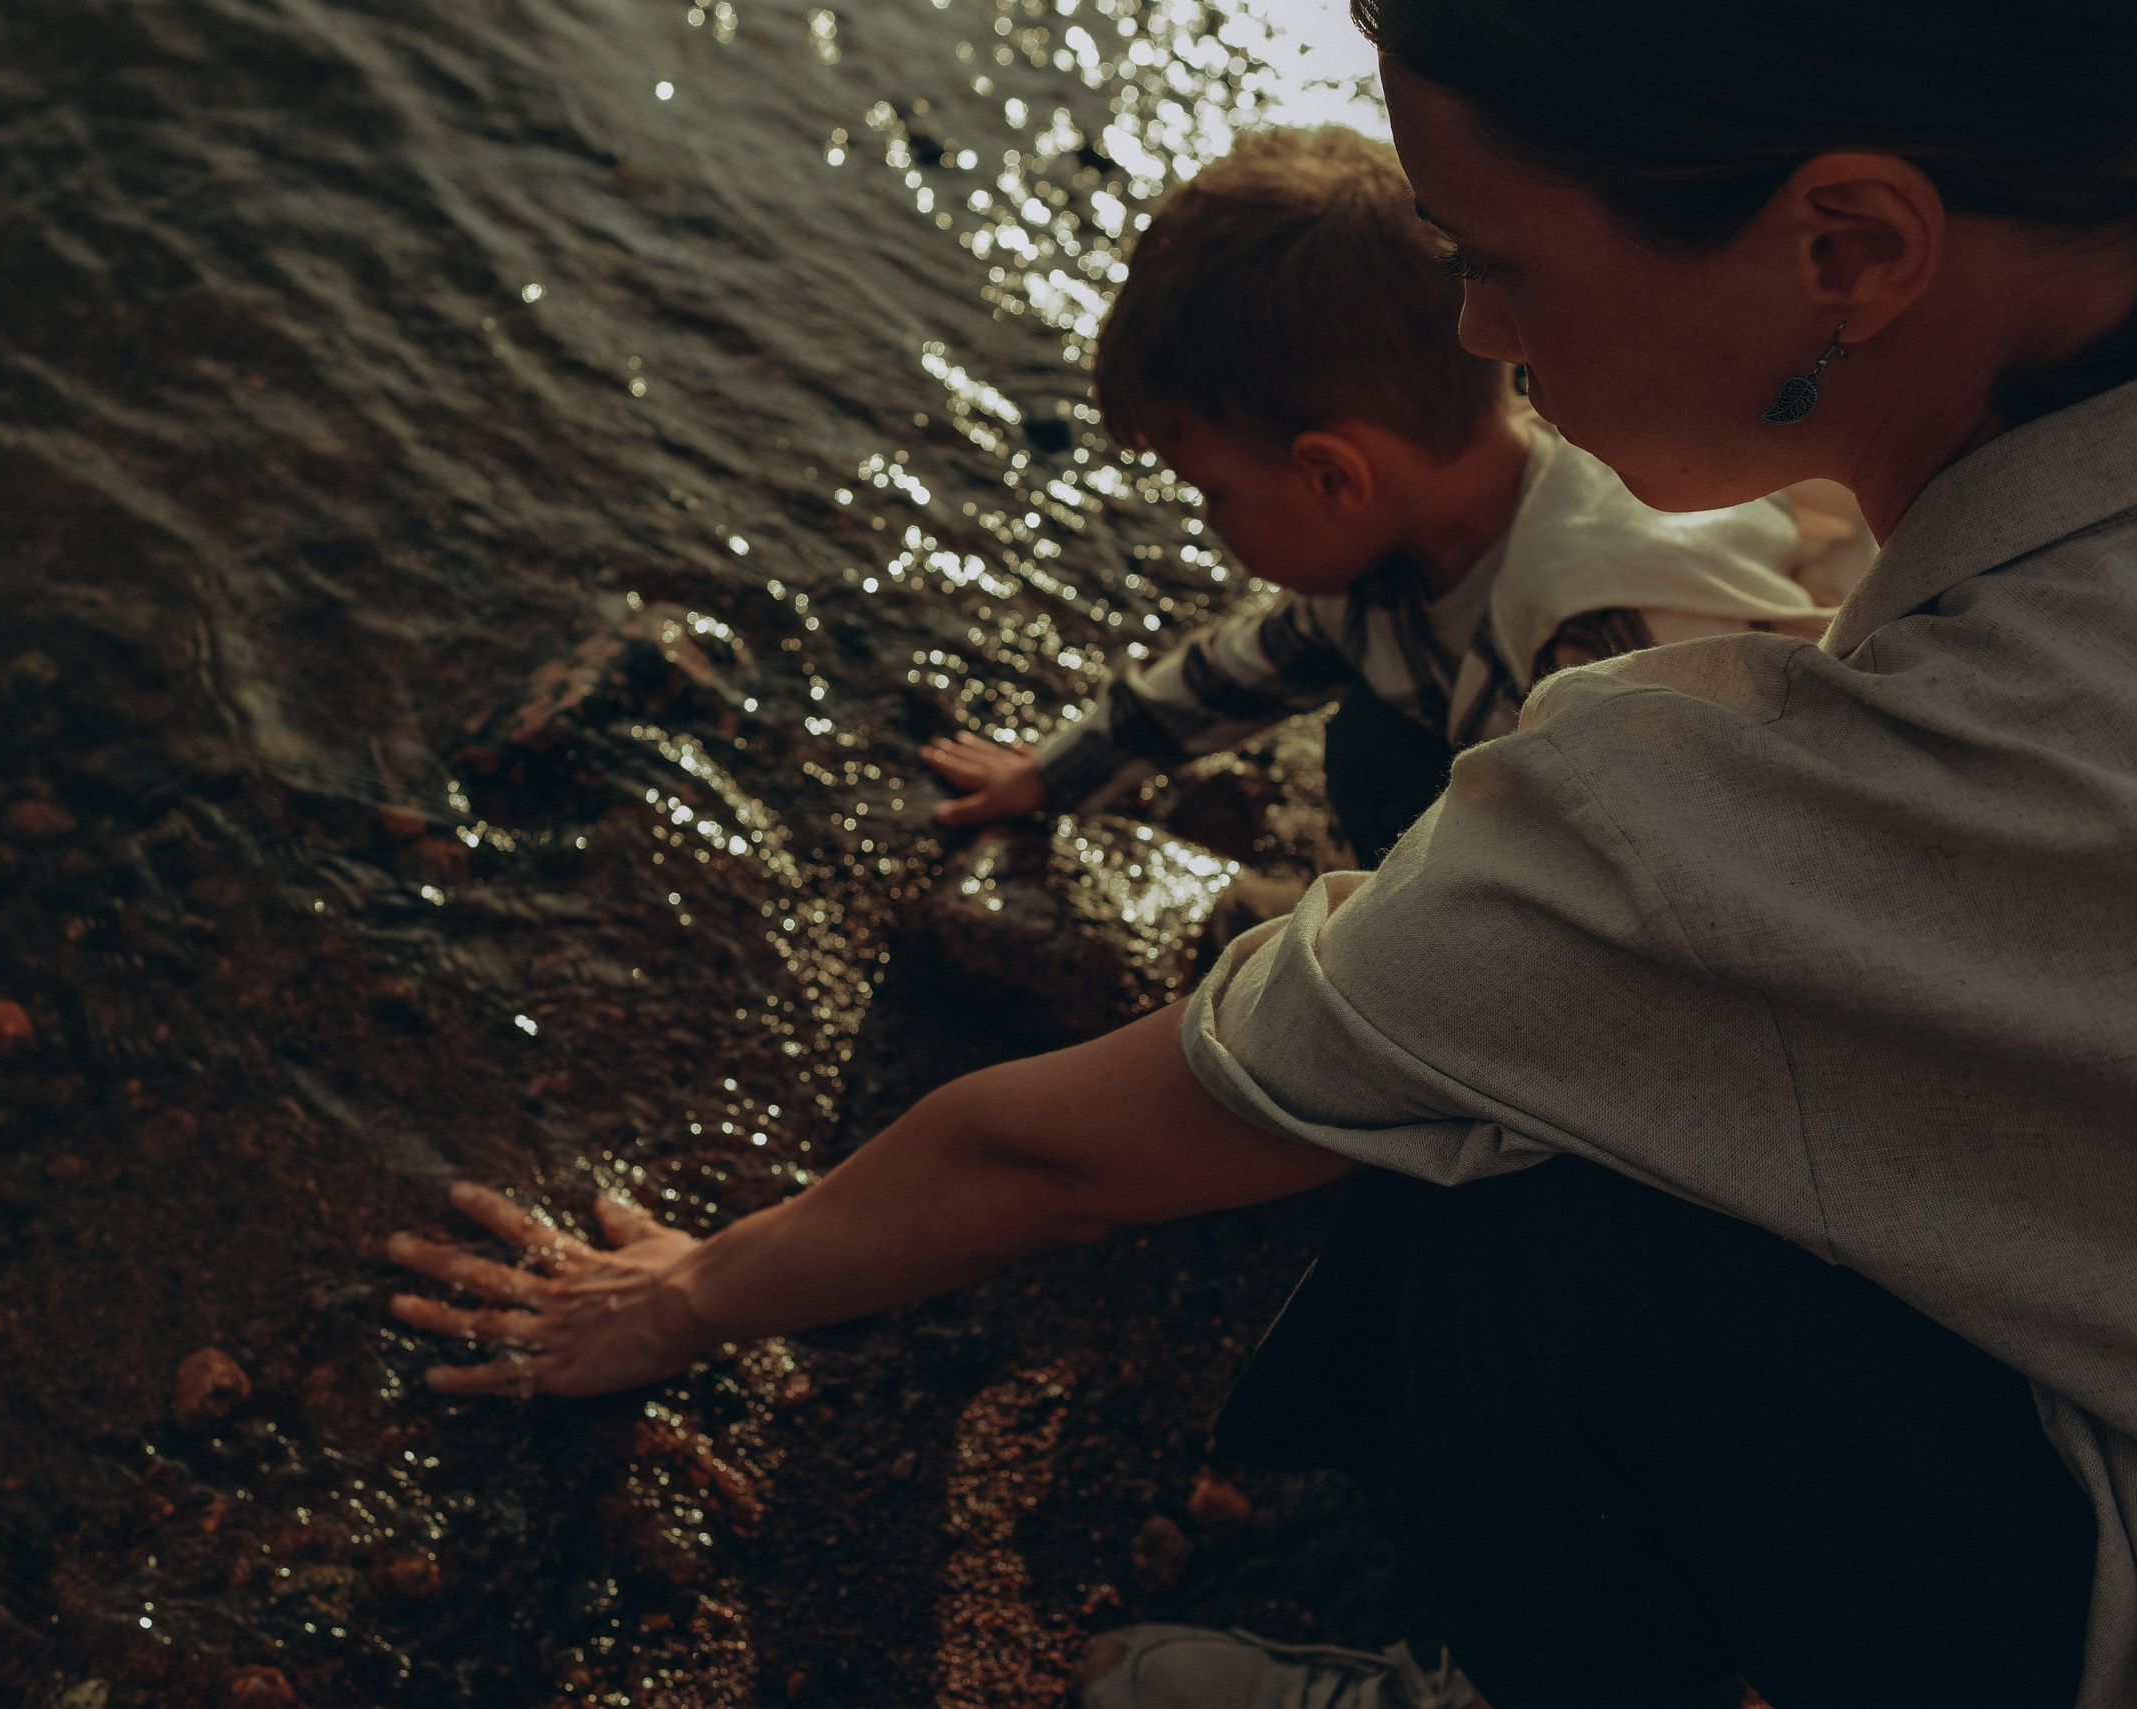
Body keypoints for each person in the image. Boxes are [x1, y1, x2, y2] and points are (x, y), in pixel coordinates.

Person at [382, 3, 2137, 1705]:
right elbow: (1262, 661)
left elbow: (1039, 1159)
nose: (1470, 335)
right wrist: (1074, 767)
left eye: (1493, 258)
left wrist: (694, 1286)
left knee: (1515, 1216)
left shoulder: (1691, 777)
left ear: (1846, 247)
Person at [917, 127, 1865, 866]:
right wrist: (1051, 777)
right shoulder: (1404, 551)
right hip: (1543, 787)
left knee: (1384, 759)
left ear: (1336, 475)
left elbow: (1686, 876)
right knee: (1371, 730)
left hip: (1705, 905)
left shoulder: (1597, 635)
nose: (1212, 526)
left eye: (1213, 494)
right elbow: (1240, 671)